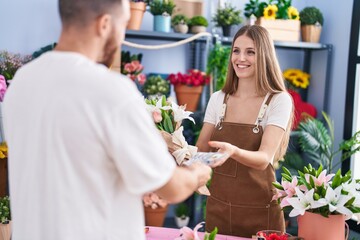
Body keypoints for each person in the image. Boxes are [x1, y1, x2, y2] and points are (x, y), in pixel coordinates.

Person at [2, 0, 212, 239]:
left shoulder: (21, 83)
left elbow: (68, 166)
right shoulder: (111, 90)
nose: (121, 37)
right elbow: (173, 187)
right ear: (104, 24)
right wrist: (196, 172)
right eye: (122, 25)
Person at [196, 25, 293, 238]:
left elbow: (263, 158)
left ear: (264, 55)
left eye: (251, 52)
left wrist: (233, 151)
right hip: (218, 210)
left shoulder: (278, 100)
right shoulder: (219, 98)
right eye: (236, 50)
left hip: (260, 215)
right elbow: (201, 148)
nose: (241, 58)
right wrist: (173, 146)